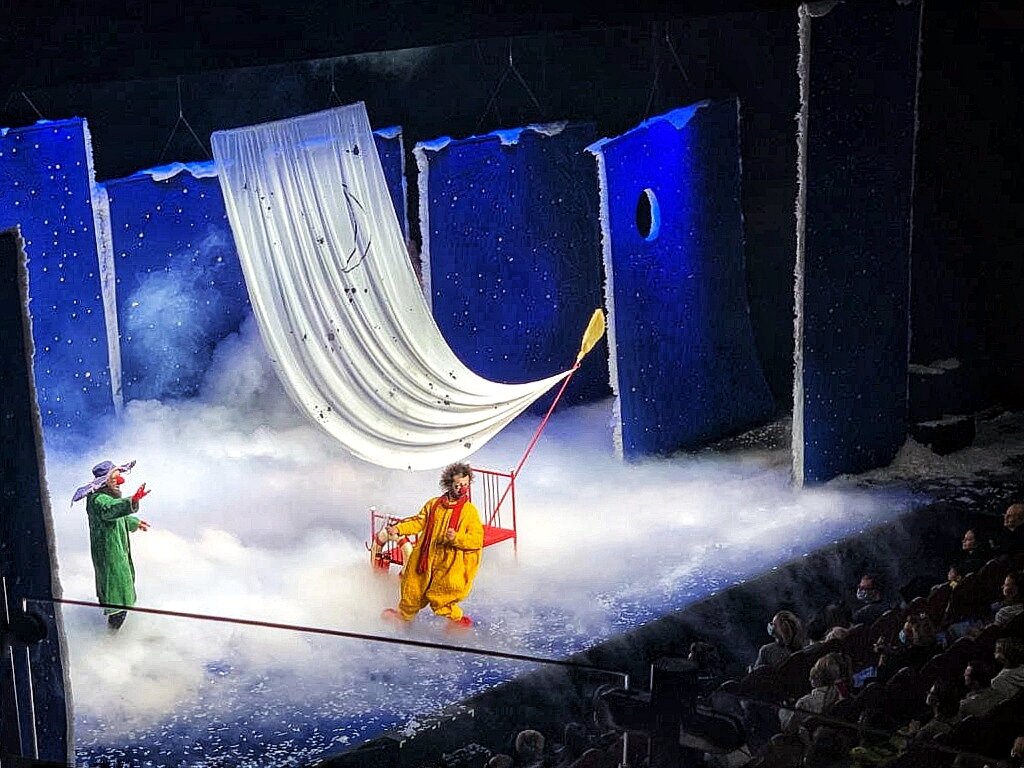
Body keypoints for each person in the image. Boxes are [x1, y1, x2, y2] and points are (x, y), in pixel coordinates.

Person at [381, 462, 483, 628]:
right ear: (449, 484)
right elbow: (418, 522)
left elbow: (476, 539)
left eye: (465, 485)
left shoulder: (469, 512)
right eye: (458, 485)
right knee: (412, 586)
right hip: (425, 555)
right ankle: (404, 615)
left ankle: (457, 621)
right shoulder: (433, 505)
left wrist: (456, 538)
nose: (462, 488)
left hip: (449, 562)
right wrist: (398, 528)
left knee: (443, 594)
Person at [71, 459, 151, 631]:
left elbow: (116, 517)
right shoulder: (99, 500)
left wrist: (133, 522)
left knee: (122, 594)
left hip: (117, 552)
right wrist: (132, 501)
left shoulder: (106, 497)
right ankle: (111, 636)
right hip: (109, 555)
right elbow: (110, 511)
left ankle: (114, 632)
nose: (120, 482)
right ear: (105, 481)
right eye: (115, 479)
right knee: (117, 599)